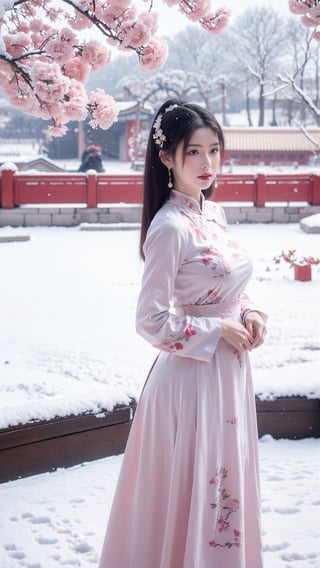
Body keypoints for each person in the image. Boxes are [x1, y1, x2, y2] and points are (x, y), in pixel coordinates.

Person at [99, 99, 267, 568]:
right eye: (194, 152)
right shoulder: (170, 227)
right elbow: (150, 320)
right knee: (200, 485)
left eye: (214, 150)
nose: (207, 163)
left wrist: (251, 313)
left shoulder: (213, 216)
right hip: (190, 384)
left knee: (225, 481)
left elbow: (234, 286)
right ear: (167, 158)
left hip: (228, 374)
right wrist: (218, 330)